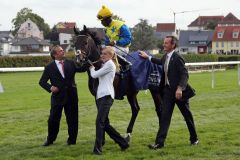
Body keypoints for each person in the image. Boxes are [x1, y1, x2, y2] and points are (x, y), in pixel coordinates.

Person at [139, 36, 199, 149]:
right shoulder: (166, 56)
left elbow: (184, 74)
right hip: (167, 92)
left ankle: (194, 139)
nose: (164, 45)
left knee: (187, 116)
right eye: (164, 43)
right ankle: (159, 143)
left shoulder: (177, 57)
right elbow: (159, 62)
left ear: (173, 45)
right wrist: (148, 57)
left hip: (179, 93)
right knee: (164, 117)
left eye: (166, 43)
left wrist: (180, 88)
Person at [39, 45, 86, 146]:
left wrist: (82, 59)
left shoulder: (71, 63)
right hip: (57, 97)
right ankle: (50, 140)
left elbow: (82, 69)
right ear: (55, 55)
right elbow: (42, 82)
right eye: (60, 51)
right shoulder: (49, 67)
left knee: (73, 119)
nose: (63, 51)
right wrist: (51, 88)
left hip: (72, 96)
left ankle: (72, 141)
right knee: (53, 119)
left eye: (62, 50)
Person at [89, 46, 129, 155]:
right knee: (105, 123)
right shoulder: (105, 64)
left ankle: (97, 149)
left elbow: (94, 75)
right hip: (101, 96)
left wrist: (91, 67)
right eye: (101, 53)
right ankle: (123, 143)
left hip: (106, 96)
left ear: (111, 56)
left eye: (104, 54)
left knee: (99, 122)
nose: (102, 55)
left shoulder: (110, 64)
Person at [97, 5, 132, 70]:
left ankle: (126, 63)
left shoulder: (121, 25)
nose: (101, 23)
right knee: (100, 49)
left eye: (102, 21)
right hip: (112, 48)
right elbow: (107, 42)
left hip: (123, 48)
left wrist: (116, 42)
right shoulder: (106, 29)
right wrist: (102, 45)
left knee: (109, 51)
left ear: (107, 19)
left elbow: (128, 39)